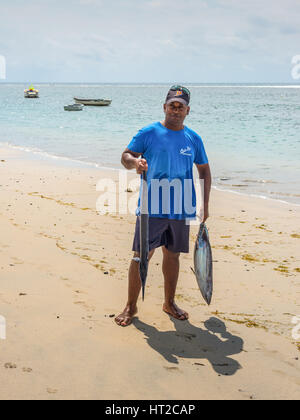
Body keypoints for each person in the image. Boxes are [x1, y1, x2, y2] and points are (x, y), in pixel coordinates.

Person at [115, 85, 211, 327]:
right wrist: (135, 162)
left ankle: (169, 302)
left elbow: (204, 171)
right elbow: (126, 155)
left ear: (188, 110)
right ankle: (131, 306)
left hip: (181, 209)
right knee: (141, 257)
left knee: (173, 255)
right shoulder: (149, 132)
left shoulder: (193, 138)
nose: (175, 110)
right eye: (172, 106)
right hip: (151, 207)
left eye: (180, 107)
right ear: (165, 107)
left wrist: (205, 204)